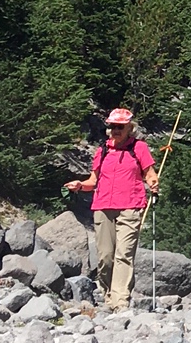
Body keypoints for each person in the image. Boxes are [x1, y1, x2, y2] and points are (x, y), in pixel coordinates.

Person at [65, 107, 159, 310]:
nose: (116, 130)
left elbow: (149, 173)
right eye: (113, 126)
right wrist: (80, 185)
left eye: (120, 126)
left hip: (130, 207)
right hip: (103, 206)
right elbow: (94, 180)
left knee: (124, 254)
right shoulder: (103, 150)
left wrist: (153, 183)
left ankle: (121, 301)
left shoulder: (139, 148)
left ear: (129, 128)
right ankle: (108, 295)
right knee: (105, 257)